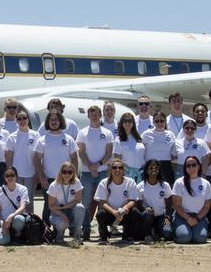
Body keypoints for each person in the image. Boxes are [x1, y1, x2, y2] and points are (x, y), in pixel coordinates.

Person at [75, 105, 114, 240]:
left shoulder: (107, 133)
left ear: (100, 115)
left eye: (97, 114)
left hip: (103, 173)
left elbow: (109, 152)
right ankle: (86, 230)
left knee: (102, 203)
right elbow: (81, 152)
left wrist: (98, 165)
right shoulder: (82, 132)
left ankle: (102, 230)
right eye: (92, 114)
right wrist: (91, 167)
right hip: (86, 173)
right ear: (88, 116)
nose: (94, 116)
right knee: (85, 203)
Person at [94, 158, 145, 244]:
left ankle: (127, 236)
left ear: (123, 170)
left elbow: (133, 201)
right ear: (110, 170)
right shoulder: (104, 182)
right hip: (110, 213)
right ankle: (104, 236)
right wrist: (114, 212)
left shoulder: (130, 182)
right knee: (100, 214)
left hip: (124, 213)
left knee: (135, 212)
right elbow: (102, 202)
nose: (117, 170)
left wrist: (125, 208)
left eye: (120, 167)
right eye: (114, 167)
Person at [170, 155, 211, 244]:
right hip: (182, 216)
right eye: (188, 165)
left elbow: (207, 206)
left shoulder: (206, 183)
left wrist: (197, 219)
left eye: (194, 165)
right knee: (184, 238)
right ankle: (177, 231)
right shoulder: (179, 182)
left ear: (199, 166)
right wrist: (188, 218)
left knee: (200, 239)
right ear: (185, 168)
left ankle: (192, 232)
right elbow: (177, 205)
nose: (191, 167)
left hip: (199, 216)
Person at [33, 110, 79, 190]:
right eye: (51, 119)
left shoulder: (69, 139)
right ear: (48, 122)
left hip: (66, 178)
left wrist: (73, 176)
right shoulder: (41, 140)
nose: (53, 122)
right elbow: (37, 159)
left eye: (56, 119)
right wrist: (42, 177)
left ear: (60, 121)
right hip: (48, 180)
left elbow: (74, 158)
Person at [3, 110, 41, 205]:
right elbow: (9, 157)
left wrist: (38, 173)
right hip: (16, 175)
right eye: (19, 119)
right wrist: (9, 174)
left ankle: (29, 215)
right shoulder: (12, 137)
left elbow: (38, 156)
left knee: (29, 202)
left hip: (31, 174)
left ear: (28, 119)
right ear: (16, 121)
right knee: (17, 202)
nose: (22, 120)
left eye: (24, 118)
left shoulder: (36, 135)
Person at [46, 163, 86, 243]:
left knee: (80, 207)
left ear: (73, 173)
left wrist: (63, 207)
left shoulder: (77, 182)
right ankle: (59, 235)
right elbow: (51, 206)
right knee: (61, 224)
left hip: (70, 211)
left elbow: (78, 200)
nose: (67, 174)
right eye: (64, 172)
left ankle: (77, 234)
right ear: (61, 172)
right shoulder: (54, 185)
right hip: (57, 213)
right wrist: (61, 213)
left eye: (70, 172)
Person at [0, 167, 31, 245]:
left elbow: (22, 207)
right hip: (3, 222)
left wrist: (11, 216)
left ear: (16, 176)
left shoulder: (23, 189)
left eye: (12, 175)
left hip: (15, 220)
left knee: (19, 219)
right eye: (7, 175)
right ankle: (9, 235)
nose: (10, 178)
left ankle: (17, 235)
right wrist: (2, 224)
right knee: (3, 241)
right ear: (4, 177)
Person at [136, 159, 173, 241]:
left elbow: (169, 205)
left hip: (161, 216)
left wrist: (167, 218)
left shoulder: (165, 185)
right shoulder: (140, 186)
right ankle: (148, 234)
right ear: (146, 170)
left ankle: (156, 231)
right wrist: (146, 208)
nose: (154, 170)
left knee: (167, 234)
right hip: (147, 217)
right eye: (151, 168)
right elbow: (139, 204)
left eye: (156, 168)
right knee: (148, 214)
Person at [141, 111, 181, 183]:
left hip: (165, 167)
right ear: (153, 122)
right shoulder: (146, 134)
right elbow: (140, 150)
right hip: (150, 166)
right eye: (157, 121)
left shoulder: (171, 134)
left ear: (165, 121)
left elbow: (174, 153)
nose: (159, 123)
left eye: (162, 121)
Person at [112, 112, 146, 182]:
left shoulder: (138, 138)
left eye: (130, 121)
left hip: (140, 174)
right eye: (125, 121)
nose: (127, 123)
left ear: (133, 123)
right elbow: (116, 160)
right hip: (126, 175)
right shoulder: (118, 140)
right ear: (122, 123)